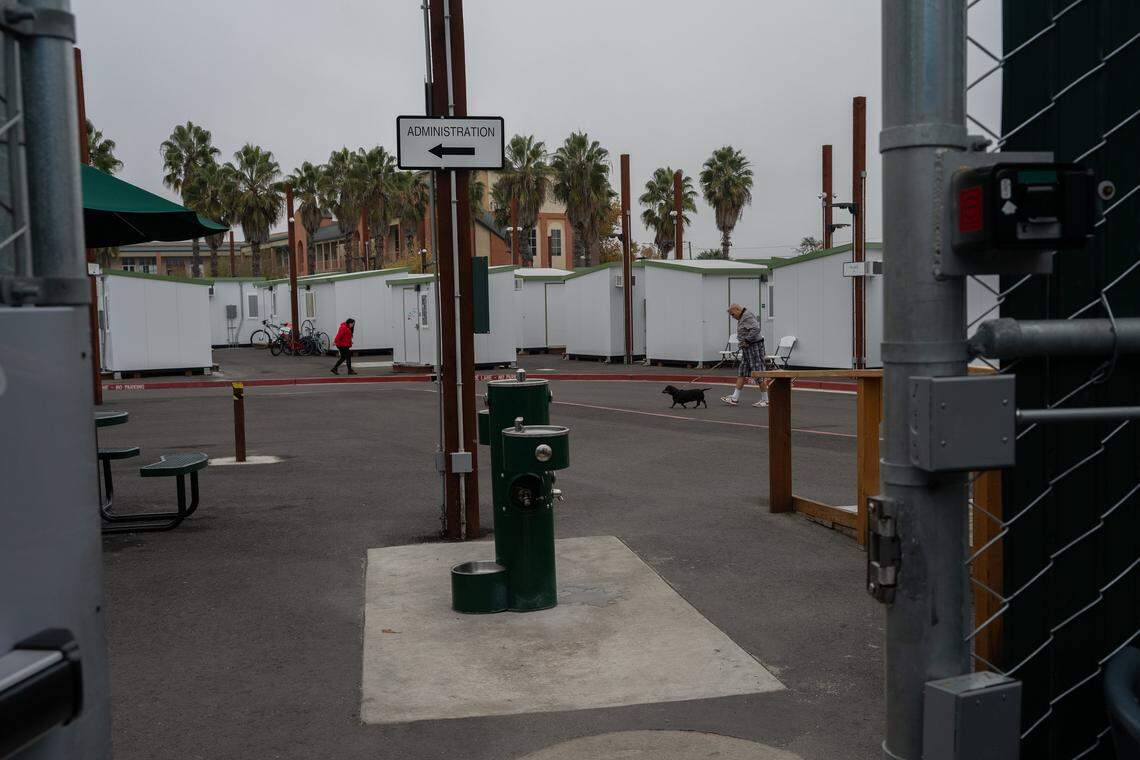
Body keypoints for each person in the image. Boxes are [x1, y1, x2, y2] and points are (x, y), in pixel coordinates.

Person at [721, 304, 770, 407]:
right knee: (742, 372)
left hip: (754, 347)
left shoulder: (747, 316)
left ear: (738, 310)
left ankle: (765, 400)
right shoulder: (742, 317)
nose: (732, 317)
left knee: (758, 372)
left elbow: (756, 329)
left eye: (733, 314)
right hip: (747, 348)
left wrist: (747, 340)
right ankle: (734, 398)